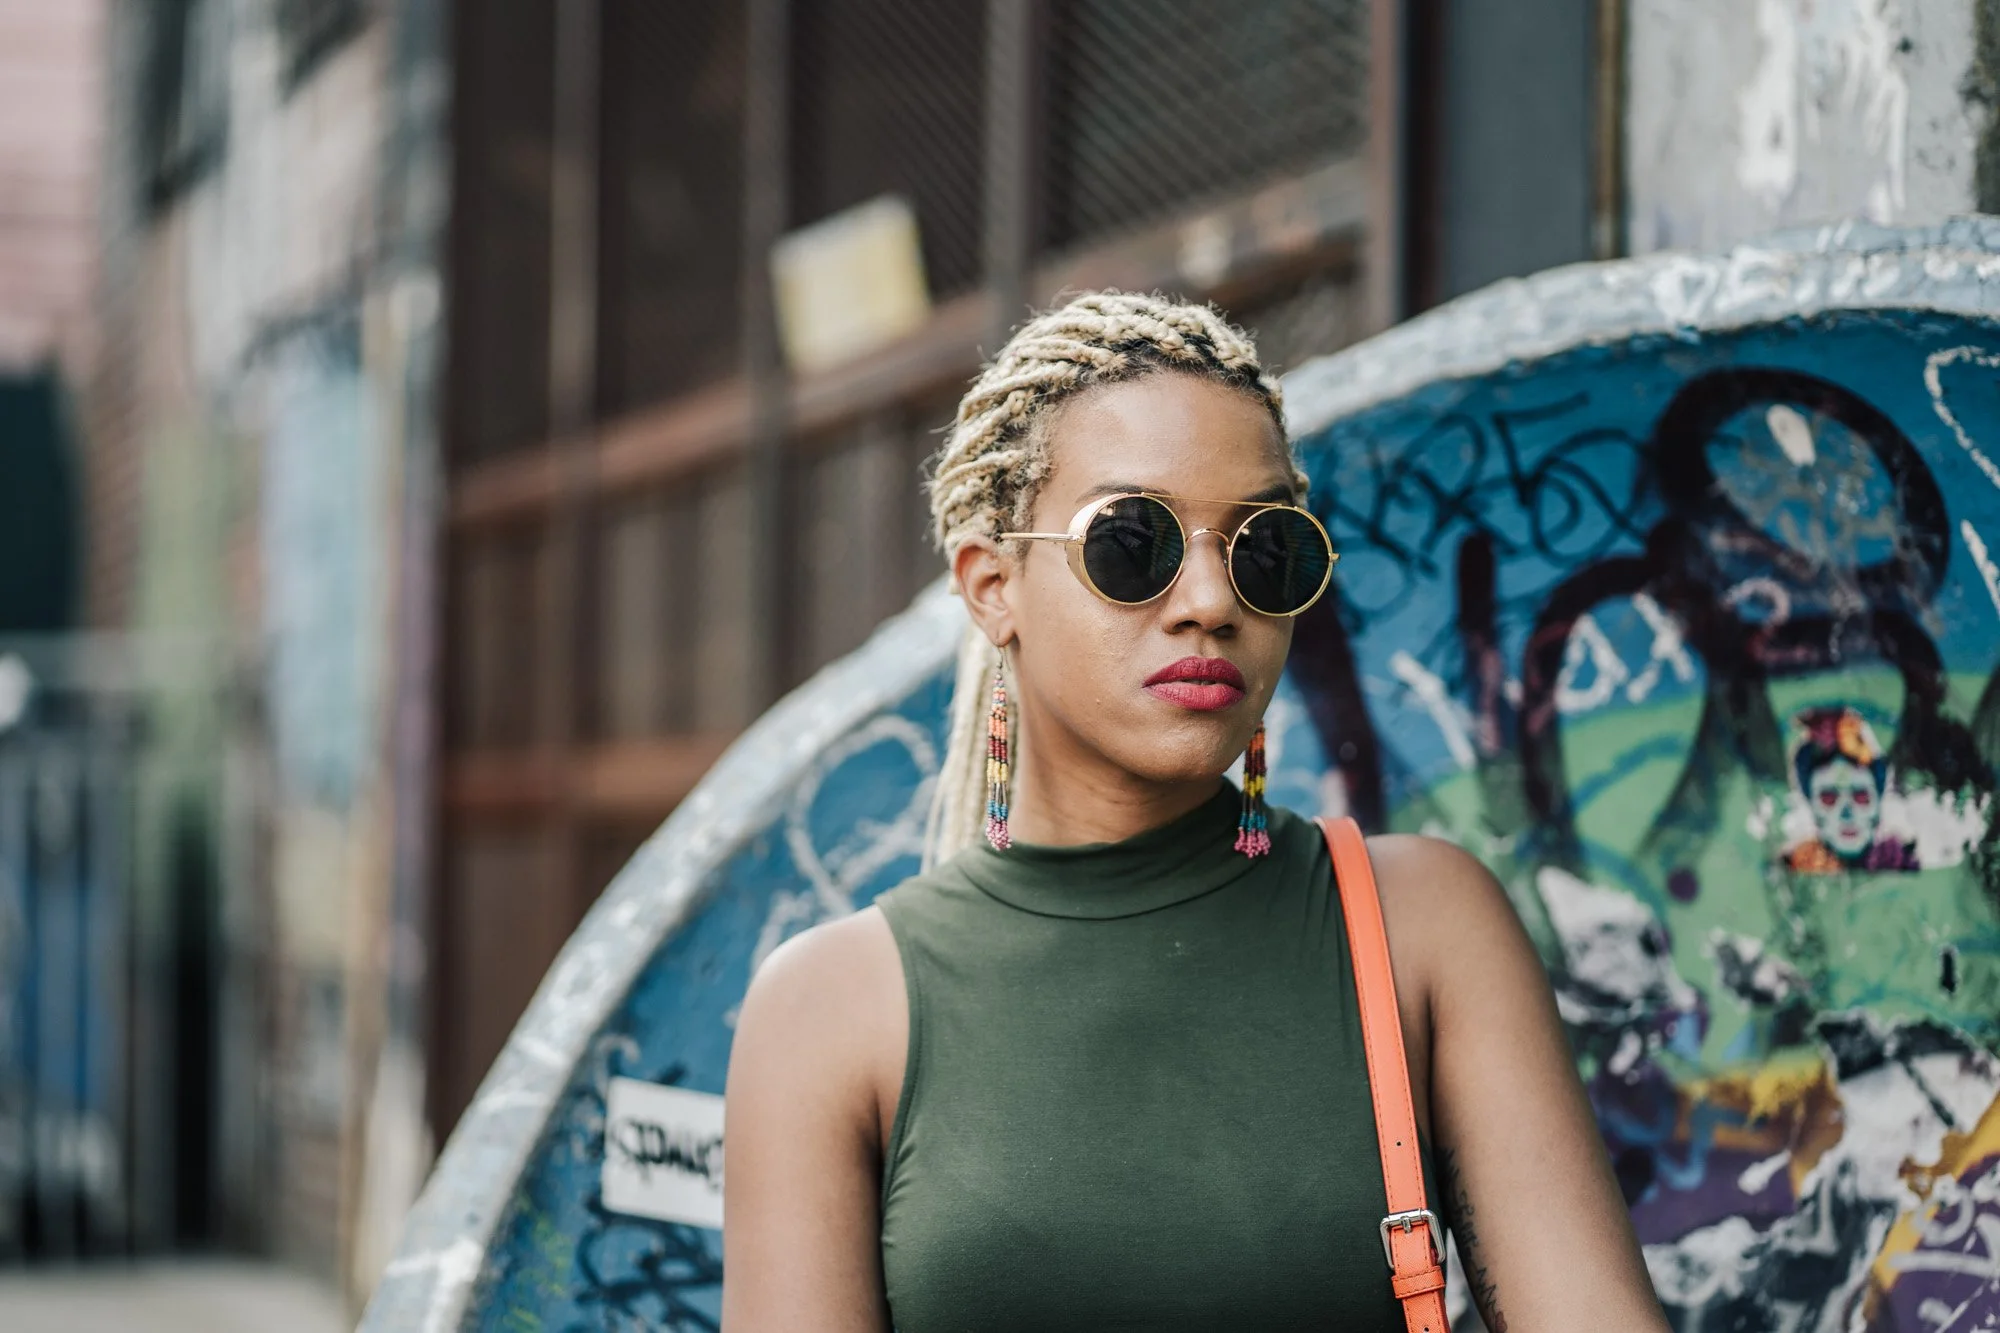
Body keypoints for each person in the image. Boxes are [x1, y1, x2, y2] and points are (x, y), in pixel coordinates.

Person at [721, 292, 1666, 1331]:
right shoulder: (827, 1012)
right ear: (992, 585)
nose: (1211, 600)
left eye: (1264, 550)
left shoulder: (1420, 929)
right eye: (1135, 543)